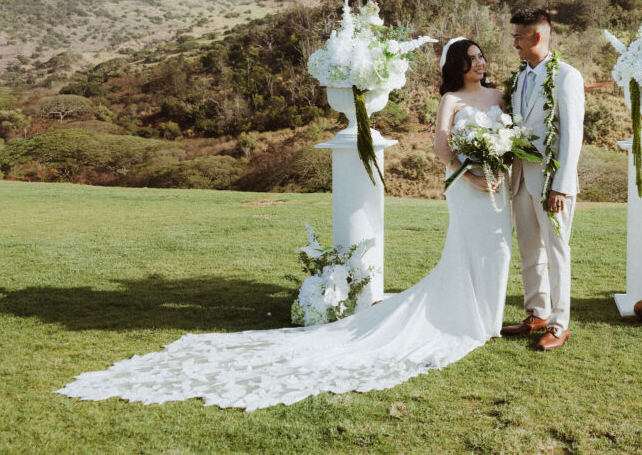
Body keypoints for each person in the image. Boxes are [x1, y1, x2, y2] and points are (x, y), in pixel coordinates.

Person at [57, 37, 513, 411]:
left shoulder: (498, 95)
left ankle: (489, 316)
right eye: (470, 58)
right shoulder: (450, 99)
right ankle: (473, 319)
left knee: (498, 247)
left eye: (481, 57)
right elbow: (439, 145)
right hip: (464, 182)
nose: (479, 63)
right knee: (465, 247)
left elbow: (511, 133)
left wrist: (498, 162)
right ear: (455, 65)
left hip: (499, 182)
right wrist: (469, 171)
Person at [501, 9, 584, 351]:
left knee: (557, 251)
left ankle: (559, 323)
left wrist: (562, 185)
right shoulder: (520, 77)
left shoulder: (566, 76)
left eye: (518, 37)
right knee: (529, 250)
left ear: (537, 37)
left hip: (552, 183)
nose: (514, 43)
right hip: (520, 177)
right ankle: (536, 312)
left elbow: (572, 134)